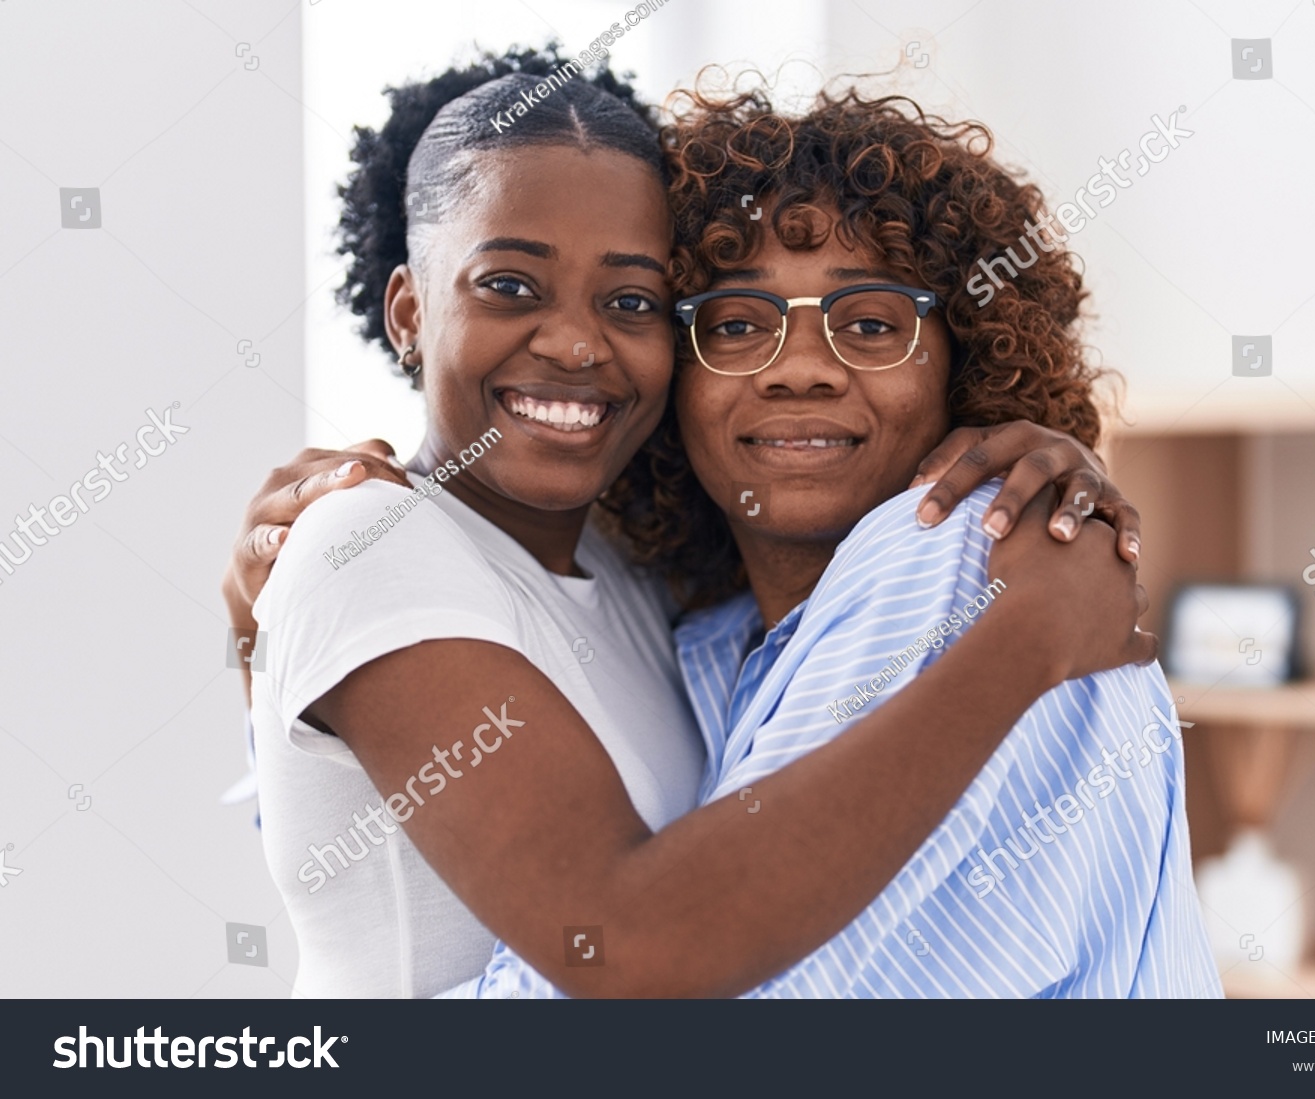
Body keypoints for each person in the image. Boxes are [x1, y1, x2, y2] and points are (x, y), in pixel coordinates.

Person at [224, 47, 1154, 999]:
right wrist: (1026, 641)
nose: (577, 342)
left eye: (631, 301)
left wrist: (1063, 454)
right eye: (510, 285)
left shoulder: (643, 584)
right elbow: (630, 951)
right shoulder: (362, 543)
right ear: (410, 311)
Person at [451, 82, 1220, 999]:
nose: (802, 370)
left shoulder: (947, 557)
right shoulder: (707, 639)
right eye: (736, 326)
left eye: (869, 324)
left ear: (963, 359)